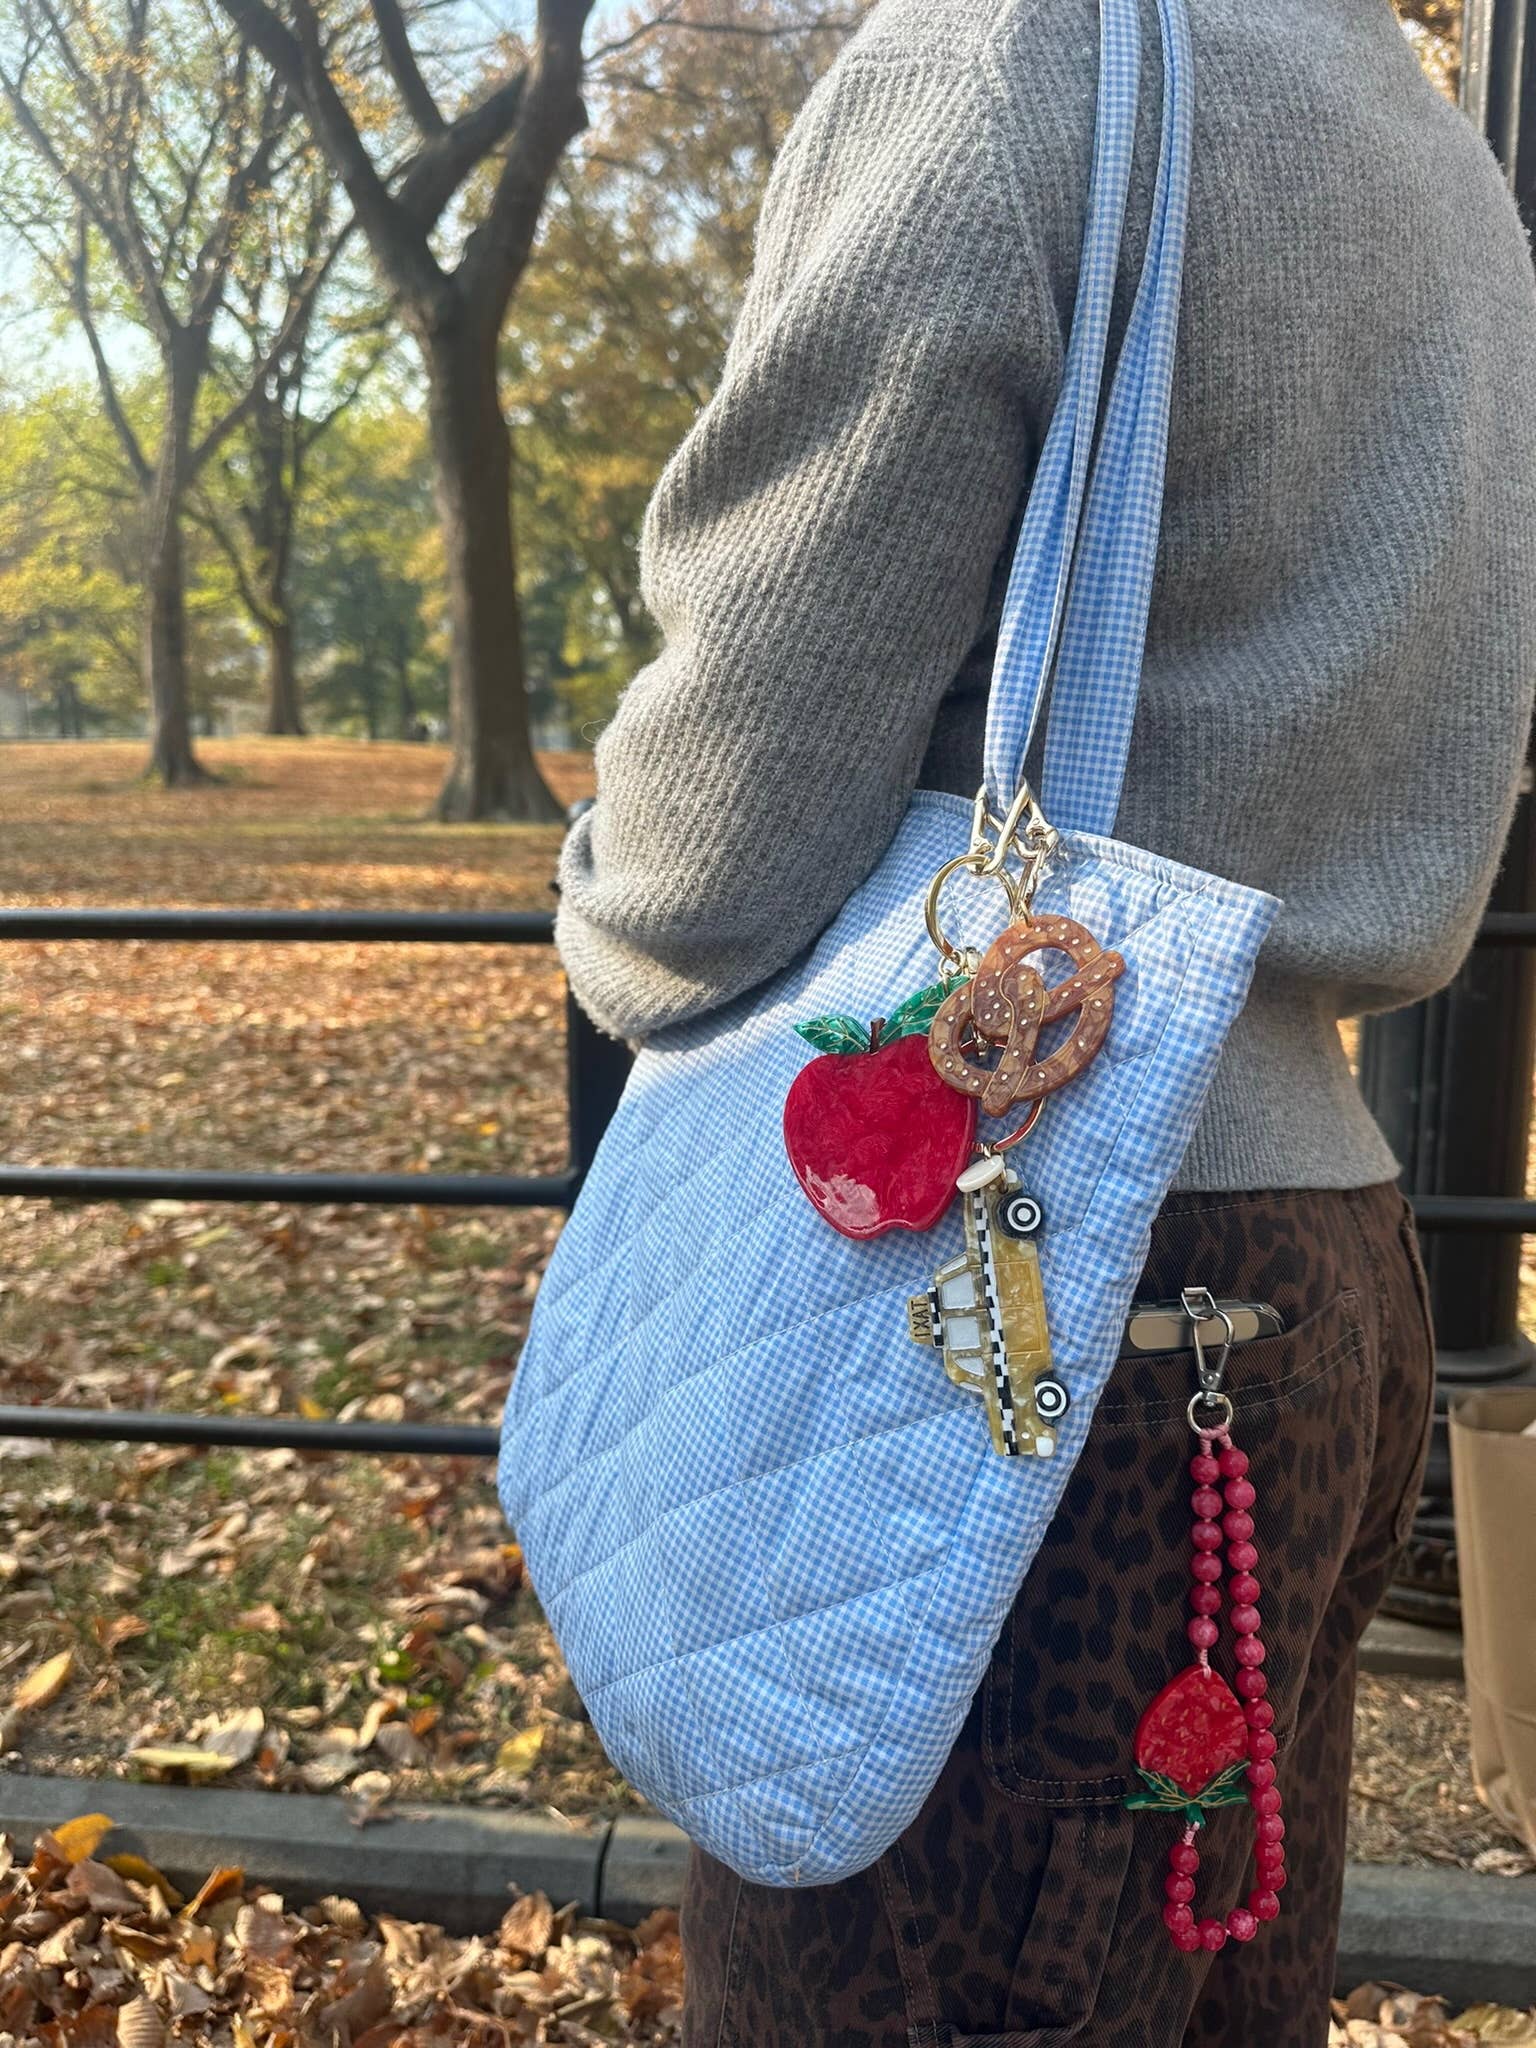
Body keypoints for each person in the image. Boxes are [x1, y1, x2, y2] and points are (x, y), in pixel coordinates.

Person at [553, 0, 1536, 2039]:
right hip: (1319, 1251)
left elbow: (721, 831)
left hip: (1030, 1275)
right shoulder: (1432, 140)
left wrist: (615, 918)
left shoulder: (1009, 67)